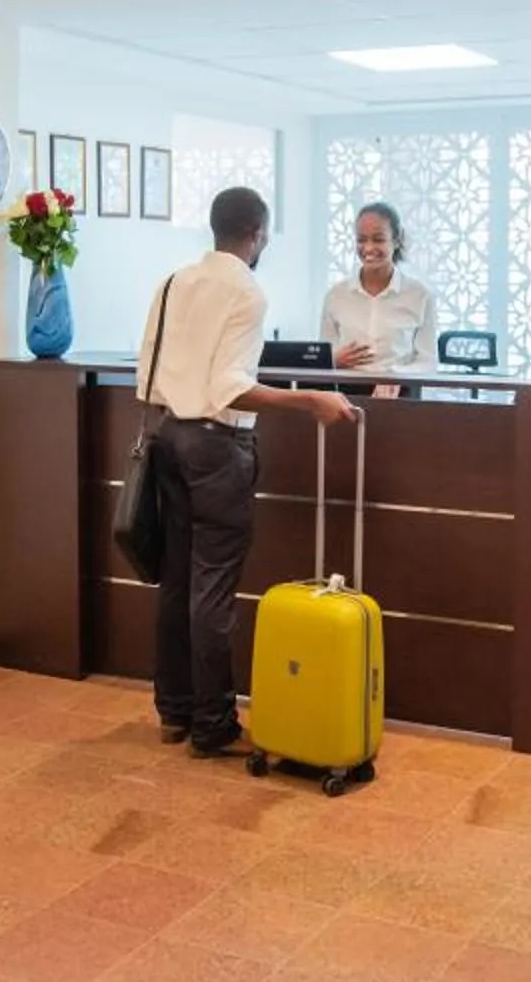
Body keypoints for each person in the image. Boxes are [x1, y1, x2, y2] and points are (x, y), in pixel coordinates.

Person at [138, 186, 358, 755]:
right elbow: (230, 387)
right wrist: (309, 400)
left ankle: (175, 711)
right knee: (211, 588)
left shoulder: (172, 282)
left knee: (177, 581)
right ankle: (213, 725)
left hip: (167, 437)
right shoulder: (247, 292)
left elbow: (149, 374)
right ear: (258, 235)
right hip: (216, 448)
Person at [320, 201, 438, 372]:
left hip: (400, 393)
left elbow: (428, 362)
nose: (368, 248)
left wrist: (396, 374)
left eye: (378, 239)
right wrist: (333, 361)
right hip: (345, 393)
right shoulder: (335, 296)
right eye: (361, 239)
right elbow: (324, 356)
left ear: (397, 240)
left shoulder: (420, 296)